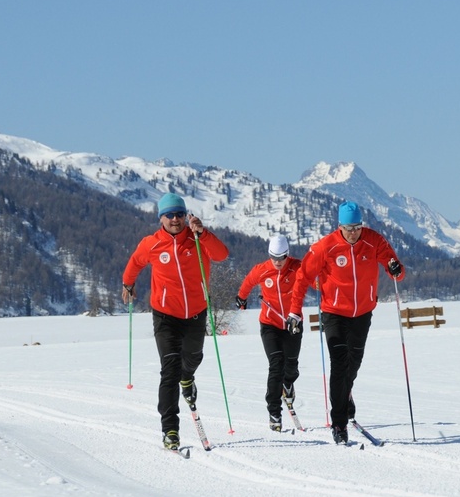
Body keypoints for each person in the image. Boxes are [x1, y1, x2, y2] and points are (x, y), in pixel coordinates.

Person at [287, 200, 405, 445]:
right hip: (334, 313)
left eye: (357, 227)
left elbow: (396, 270)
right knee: (339, 365)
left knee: (353, 364)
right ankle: (339, 424)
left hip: (363, 312)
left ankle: (345, 393)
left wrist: (395, 268)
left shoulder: (374, 241)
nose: (354, 233)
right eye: (349, 228)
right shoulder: (325, 247)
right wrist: (294, 312)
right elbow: (302, 277)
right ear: (339, 226)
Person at [121, 192, 229, 451]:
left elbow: (221, 254)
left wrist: (203, 233)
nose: (175, 219)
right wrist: (128, 283)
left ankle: (188, 377)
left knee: (192, 358)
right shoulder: (152, 244)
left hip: (195, 313)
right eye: (169, 215)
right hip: (165, 315)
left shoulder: (197, 240)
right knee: (168, 370)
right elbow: (135, 262)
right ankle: (170, 429)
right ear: (161, 218)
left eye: (180, 214)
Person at [235, 234, 304, 432]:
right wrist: (241, 298)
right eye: (274, 257)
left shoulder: (297, 267)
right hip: (270, 324)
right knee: (276, 365)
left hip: (293, 323)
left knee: (291, 366)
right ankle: (274, 411)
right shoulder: (262, 270)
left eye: (281, 257)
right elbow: (248, 283)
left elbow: (314, 279)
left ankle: (288, 383)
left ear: (287, 255)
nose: (277, 262)